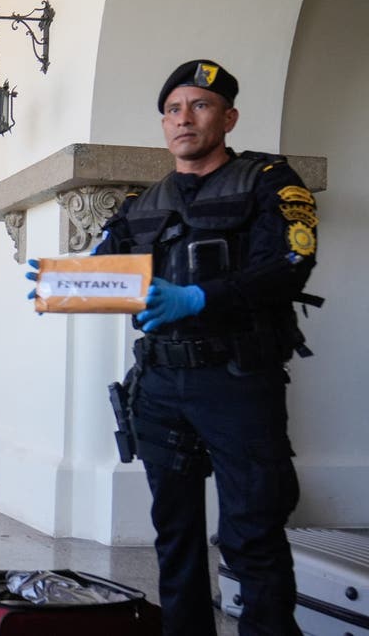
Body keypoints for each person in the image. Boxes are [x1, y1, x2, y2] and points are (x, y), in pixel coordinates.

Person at [31, 60, 317, 635]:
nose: (184, 119)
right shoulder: (144, 200)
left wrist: (198, 299)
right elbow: (108, 268)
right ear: (164, 125)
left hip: (238, 379)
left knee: (252, 532)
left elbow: (290, 266)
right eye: (172, 109)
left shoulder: (270, 181)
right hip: (160, 385)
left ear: (229, 116)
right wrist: (66, 284)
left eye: (201, 105)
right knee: (175, 533)